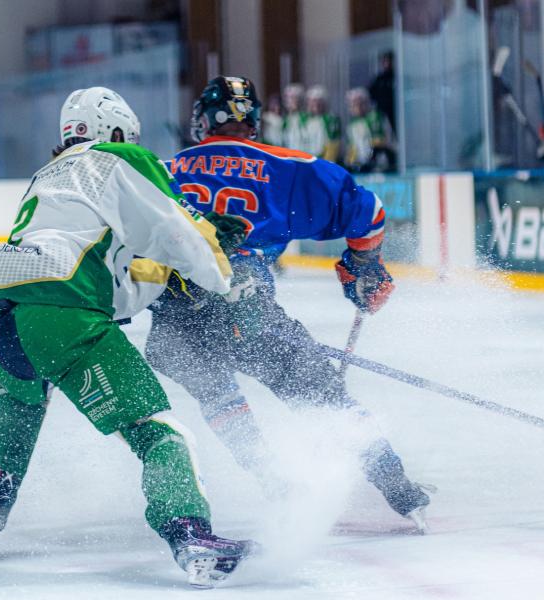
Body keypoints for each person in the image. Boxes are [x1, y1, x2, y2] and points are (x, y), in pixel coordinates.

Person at [0, 87, 255, 588]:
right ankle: (189, 531)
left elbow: (108, 283)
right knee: (160, 432)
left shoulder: (46, 177)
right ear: (115, 132)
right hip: (59, 314)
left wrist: (162, 274)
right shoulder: (118, 158)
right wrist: (220, 280)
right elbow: (178, 228)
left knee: (24, 388)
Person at [150, 76, 432, 531]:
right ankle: (396, 485)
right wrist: (365, 267)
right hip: (248, 312)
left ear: (205, 120)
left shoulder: (162, 171)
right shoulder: (288, 165)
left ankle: (274, 483)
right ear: (253, 121)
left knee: (218, 394)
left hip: (174, 322)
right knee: (322, 395)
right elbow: (370, 212)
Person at [343, 87, 396, 172]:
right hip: (362, 164)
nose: (358, 107)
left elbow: (380, 142)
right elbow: (352, 147)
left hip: (380, 162)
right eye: (354, 104)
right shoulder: (352, 125)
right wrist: (350, 161)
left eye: (361, 103)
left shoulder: (376, 117)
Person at [304, 85, 342, 162]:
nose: (316, 104)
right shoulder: (307, 120)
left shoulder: (331, 119)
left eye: (319, 101)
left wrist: (326, 163)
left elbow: (333, 143)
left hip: (324, 161)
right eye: (313, 101)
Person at [368, 51, 396, 134]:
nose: (387, 63)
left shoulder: (397, 77)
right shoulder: (379, 79)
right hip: (381, 111)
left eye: (389, 61)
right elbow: (370, 94)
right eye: (385, 61)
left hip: (395, 111)